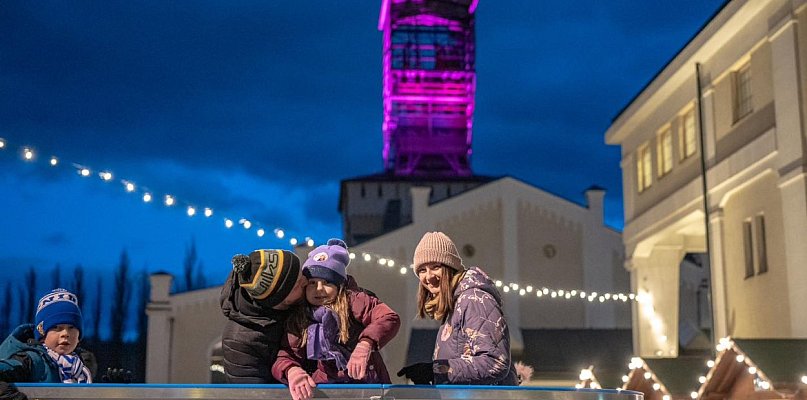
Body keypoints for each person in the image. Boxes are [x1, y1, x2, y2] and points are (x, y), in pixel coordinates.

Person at [272, 239, 400, 400]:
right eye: (312, 283)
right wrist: (292, 371)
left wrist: (365, 345)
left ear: (339, 285)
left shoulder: (354, 300)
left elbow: (388, 317)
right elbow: (285, 356)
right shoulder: (301, 317)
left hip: (368, 386)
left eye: (326, 282)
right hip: (327, 391)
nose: (319, 289)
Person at [397, 232, 519, 386]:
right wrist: (432, 374)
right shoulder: (455, 305)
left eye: (435, 267)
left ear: (450, 267)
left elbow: (495, 362)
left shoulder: (474, 300)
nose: (428, 277)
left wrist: (436, 370)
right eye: (422, 270)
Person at [219, 248, 308, 383]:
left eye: (301, 275)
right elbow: (252, 393)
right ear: (278, 299)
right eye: (296, 285)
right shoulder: (239, 340)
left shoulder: (301, 301)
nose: (306, 282)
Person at [0, 288, 93, 384]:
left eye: (71, 327)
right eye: (57, 328)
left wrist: (107, 391)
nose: (65, 333)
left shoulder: (83, 367)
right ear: (42, 335)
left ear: (79, 337)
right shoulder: (31, 361)